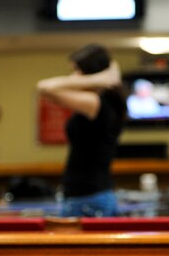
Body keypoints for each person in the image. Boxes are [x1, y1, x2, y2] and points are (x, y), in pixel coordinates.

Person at [37, 44, 127, 217]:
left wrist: (99, 80)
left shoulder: (96, 103)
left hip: (89, 198)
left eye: (77, 71)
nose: (73, 77)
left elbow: (44, 87)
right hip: (89, 195)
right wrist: (101, 78)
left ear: (90, 73)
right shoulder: (99, 101)